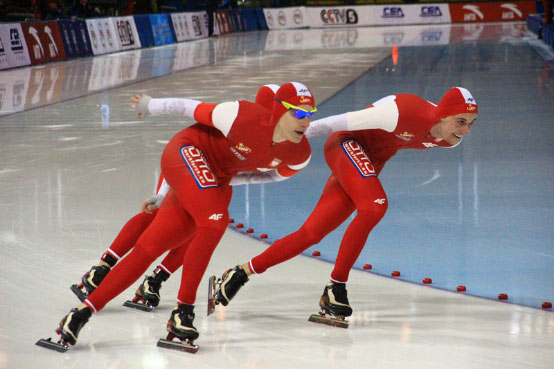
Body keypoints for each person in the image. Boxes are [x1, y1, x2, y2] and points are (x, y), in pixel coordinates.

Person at [47, 82, 317, 349]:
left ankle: (81, 313)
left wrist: (220, 180)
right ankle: (183, 311)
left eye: (310, 114)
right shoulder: (239, 115)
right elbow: (190, 108)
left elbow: (264, 178)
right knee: (214, 220)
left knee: (152, 246)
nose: (306, 122)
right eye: (298, 113)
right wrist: (149, 105)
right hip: (187, 150)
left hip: (213, 180)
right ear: (278, 110)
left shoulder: (300, 156)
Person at [213, 87, 478, 321]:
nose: (465, 130)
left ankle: (241, 271)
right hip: (345, 143)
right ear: (443, 115)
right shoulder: (401, 111)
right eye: (461, 121)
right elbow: (336, 123)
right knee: (375, 205)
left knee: (312, 233)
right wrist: (278, 138)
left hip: (367, 163)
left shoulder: (448, 140)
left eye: (471, 123)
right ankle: (336, 287)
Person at [72, 85, 281, 310]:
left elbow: (263, 173)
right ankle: (102, 269)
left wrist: (225, 179)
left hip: (217, 184)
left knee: (195, 231)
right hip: (186, 164)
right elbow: (188, 118)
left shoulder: (275, 139)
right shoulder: (236, 118)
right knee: (155, 217)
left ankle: (155, 280)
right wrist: (161, 192)